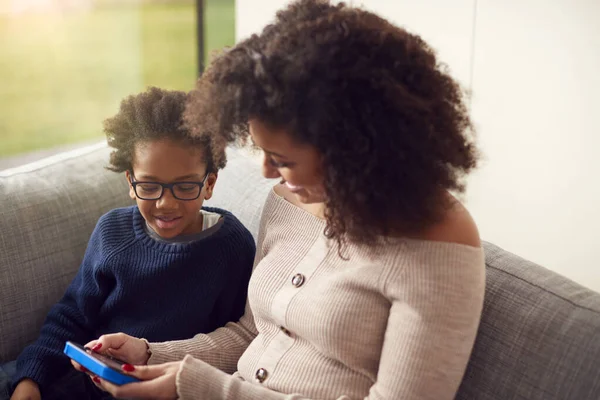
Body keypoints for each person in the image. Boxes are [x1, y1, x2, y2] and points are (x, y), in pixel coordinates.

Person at [73, 0, 486, 399]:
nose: (268, 173)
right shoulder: (289, 202)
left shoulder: (437, 242)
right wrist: (150, 354)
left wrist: (200, 386)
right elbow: (251, 335)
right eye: (262, 152)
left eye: (283, 159)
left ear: (353, 149)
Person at [3, 87, 256, 400]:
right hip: (82, 381)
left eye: (185, 186)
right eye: (149, 186)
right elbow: (71, 317)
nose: (165, 203)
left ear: (210, 184)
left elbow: (231, 347)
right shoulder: (112, 232)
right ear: (130, 184)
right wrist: (32, 379)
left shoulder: (231, 248)